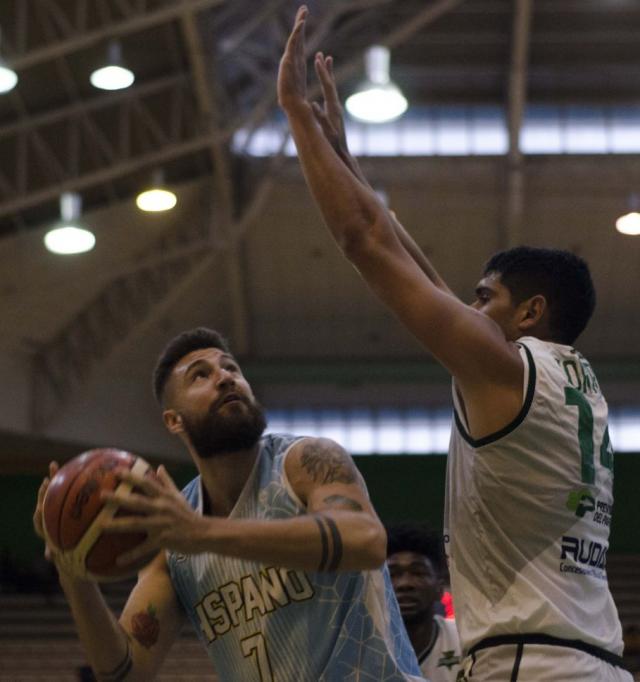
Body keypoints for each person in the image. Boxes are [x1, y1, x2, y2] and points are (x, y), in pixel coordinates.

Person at [278, 7, 632, 680]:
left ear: (529, 311)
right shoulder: (564, 376)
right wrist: (344, 160)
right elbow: (421, 274)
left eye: (484, 298)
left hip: (529, 665)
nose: (467, 308)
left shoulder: (509, 373)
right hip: (589, 663)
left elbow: (365, 244)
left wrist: (295, 115)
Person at [33, 327, 422, 681]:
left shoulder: (305, 461)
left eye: (231, 368)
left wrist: (203, 533)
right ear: (174, 420)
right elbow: (126, 672)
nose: (224, 377)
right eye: (200, 375)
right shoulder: (171, 536)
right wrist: (74, 573)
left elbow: (366, 542)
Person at [387, 523, 462, 681]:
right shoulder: (366, 645)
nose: (405, 584)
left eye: (418, 572)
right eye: (393, 574)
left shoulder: (463, 639)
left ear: (440, 588)